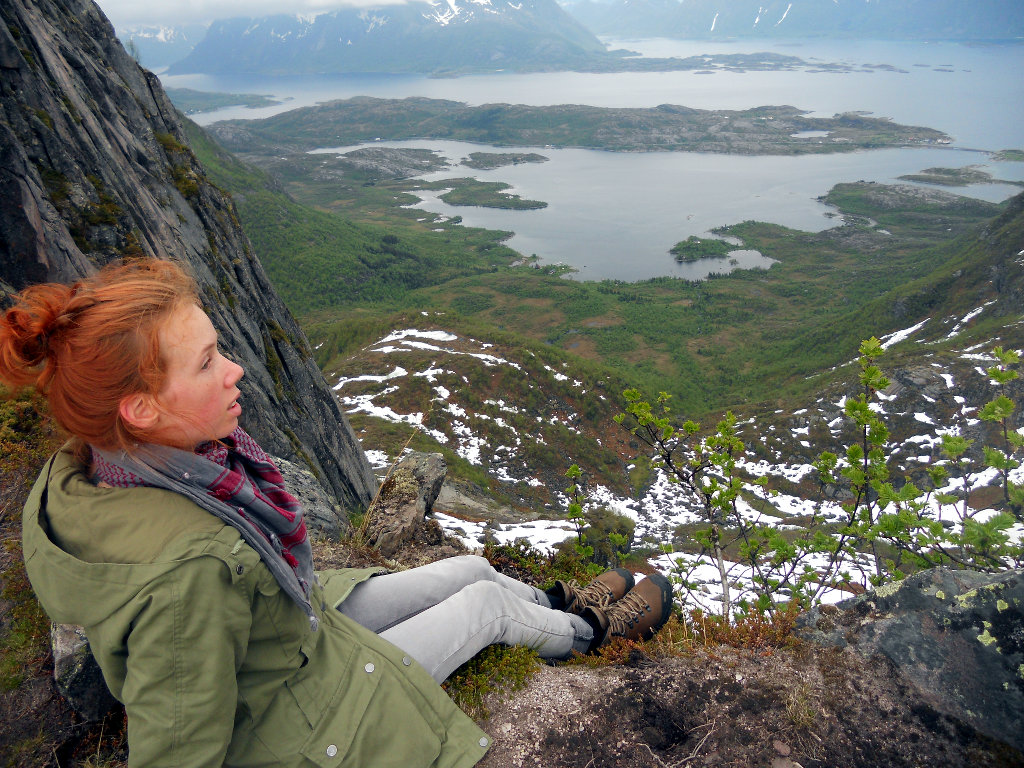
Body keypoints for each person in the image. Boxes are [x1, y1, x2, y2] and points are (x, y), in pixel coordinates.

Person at [3, 258, 673, 768]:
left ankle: (555, 602)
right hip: (295, 703)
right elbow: (178, 743)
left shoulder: (102, 464)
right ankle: (592, 632)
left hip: (293, 626)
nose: (234, 370)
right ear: (142, 411)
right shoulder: (188, 574)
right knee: (483, 612)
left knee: (467, 568)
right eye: (208, 362)